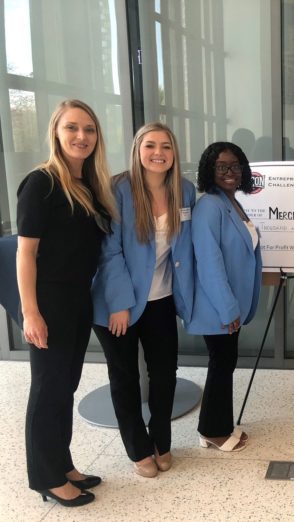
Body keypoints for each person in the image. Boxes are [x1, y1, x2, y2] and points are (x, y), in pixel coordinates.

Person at [17, 99, 117, 506]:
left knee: (65, 386)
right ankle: (45, 476)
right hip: (49, 300)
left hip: (78, 299)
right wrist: (30, 312)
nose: (81, 137)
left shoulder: (89, 186)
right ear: (56, 133)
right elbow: (26, 253)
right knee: (47, 388)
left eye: (89, 129)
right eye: (72, 128)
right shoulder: (41, 183)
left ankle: (62, 464)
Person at [91, 122, 195, 478]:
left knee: (165, 374)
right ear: (137, 149)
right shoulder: (118, 189)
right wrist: (119, 302)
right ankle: (138, 450)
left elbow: (183, 250)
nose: (158, 153)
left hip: (161, 299)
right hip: (116, 303)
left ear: (174, 153)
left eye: (166, 146)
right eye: (150, 145)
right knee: (124, 377)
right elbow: (109, 250)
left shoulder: (185, 190)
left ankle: (161, 441)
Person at [186, 142, 262, 452]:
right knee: (221, 362)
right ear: (209, 171)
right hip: (218, 306)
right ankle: (212, 432)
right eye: (221, 167)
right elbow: (209, 262)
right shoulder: (209, 207)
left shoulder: (231, 202)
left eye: (235, 166)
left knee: (225, 362)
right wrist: (228, 308)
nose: (230, 172)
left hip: (229, 305)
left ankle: (217, 424)